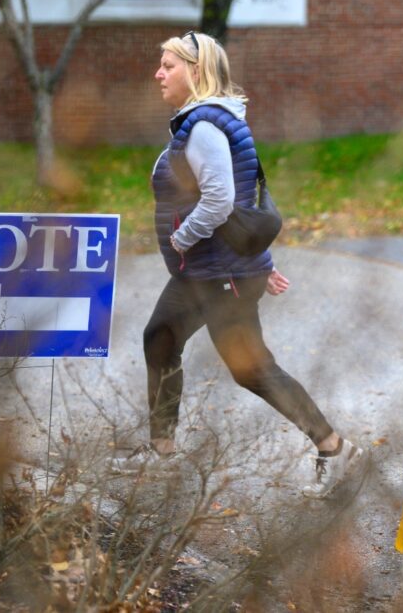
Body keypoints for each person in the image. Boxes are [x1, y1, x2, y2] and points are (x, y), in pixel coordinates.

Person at [119, 31, 362, 498]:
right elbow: (244, 200)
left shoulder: (206, 126)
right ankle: (163, 451)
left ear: (194, 70)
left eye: (168, 65)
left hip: (218, 275)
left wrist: (182, 238)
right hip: (210, 271)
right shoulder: (203, 122)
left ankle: (334, 448)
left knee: (251, 368)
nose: (158, 74)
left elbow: (221, 201)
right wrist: (259, 261)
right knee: (160, 338)